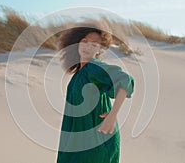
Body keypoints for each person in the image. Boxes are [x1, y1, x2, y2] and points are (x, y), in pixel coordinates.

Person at [57, 23, 134, 163]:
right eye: (85, 41)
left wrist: (113, 115)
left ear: (99, 49)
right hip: (77, 140)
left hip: (95, 142)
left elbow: (125, 79)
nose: (88, 47)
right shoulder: (79, 73)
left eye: (94, 44)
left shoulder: (94, 67)